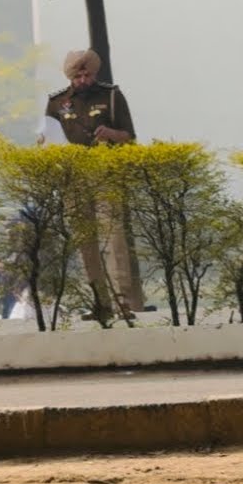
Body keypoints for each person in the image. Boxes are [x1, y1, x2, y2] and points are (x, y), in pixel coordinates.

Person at [43, 48, 146, 319]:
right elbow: (48, 139)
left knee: (114, 238)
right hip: (73, 178)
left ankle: (121, 302)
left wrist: (111, 134)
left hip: (106, 175)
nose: (84, 79)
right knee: (84, 241)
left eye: (88, 74)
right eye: (78, 75)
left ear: (95, 72)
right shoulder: (56, 102)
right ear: (70, 76)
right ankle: (100, 302)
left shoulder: (111, 96)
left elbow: (130, 136)